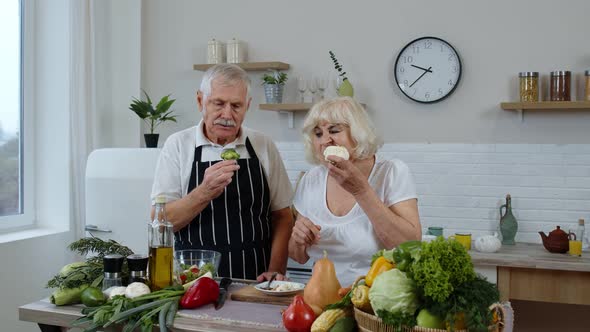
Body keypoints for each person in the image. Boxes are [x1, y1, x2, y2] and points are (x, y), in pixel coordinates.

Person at [151, 64, 293, 282]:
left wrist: (275, 272)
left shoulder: (263, 145)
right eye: (218, 103)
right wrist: (204, 192)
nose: (227, 114)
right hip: (193, 281)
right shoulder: (178, 145)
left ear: (248, 106)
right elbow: (160, 221)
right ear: (200, 101)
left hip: (255, 278)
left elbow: (283, 217)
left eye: (236, 106)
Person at [288, 97, 421, 286]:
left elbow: (409, 247)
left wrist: (361, 190)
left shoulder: (392, 172)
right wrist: (298, 239)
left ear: (358, 134)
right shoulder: (311, 179)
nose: (326, 140)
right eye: (318, 134)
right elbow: (298, 256)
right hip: (321, 300)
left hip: (374, 301)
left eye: (334, 130)